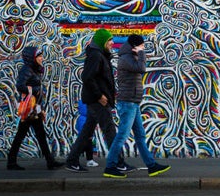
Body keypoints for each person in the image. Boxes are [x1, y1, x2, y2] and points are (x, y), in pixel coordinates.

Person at [103, 34, 170, 178]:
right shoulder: (126, 58)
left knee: (140, 136)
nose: (143, 47)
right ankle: (110, 166)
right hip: (127, 103)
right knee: (122, 136)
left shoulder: (129, 56)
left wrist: (139, 53)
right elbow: (142, 68)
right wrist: (141, 53)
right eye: (142, 45)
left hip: (133, 102)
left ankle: (151, 166)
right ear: (135, 45)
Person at [65, 28, 132, 173]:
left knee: (87, 131)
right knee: (110, 130)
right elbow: (88, 77)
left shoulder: (101, 54)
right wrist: (99, 96)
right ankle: (118, 161)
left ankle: (72, 160)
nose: (112, 43)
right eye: (109, 40)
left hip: (98, 100)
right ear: (102, 41)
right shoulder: (96, 55)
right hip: (98, 101)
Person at [7, 46, 65, 171]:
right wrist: (35, 90)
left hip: (35, 109)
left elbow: (36, 94)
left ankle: (50, 161)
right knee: (22, 135)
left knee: (40, 135)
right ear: (32, 58)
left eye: (41, 56)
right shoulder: (27, 70)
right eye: (39, 56)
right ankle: (12, 162)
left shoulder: (34, 69)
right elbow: (20, 86)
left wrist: (41, 109)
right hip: (29, 110)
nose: (41, 58)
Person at [76, 100, 99, 167]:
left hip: (85, 120)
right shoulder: (88, 101)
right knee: (86, 142)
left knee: (85, 142)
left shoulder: (83, 100)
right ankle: (89, 160)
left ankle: (88, 160)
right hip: (87, 121)